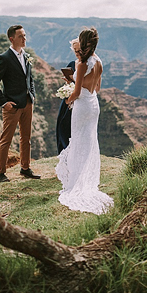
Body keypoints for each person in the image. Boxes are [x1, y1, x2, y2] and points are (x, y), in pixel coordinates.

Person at [55, 27, 114, 215]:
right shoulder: (98, 62)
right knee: (89, 142)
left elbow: (77, 92)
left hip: (81, 107)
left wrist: (67, 98)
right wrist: (75, 81)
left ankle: (77, 181)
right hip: (94, 105)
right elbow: (97, 88)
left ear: (83, 42)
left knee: (79, 141)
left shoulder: (81, 65)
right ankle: (87, 179)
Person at [0, 25, 38, 183]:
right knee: (6, 140)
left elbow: (30, 78)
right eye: (21, 36)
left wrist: (32, 95)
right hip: (12, 106)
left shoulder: (27, 56)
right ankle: (1, 172)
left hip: (27, 103)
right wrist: (4, 103)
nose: (25, 38)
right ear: (12, 39)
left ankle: (25, 168)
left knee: (26, 138)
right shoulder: (4, 58)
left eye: (25, 35)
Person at [56, 39, 79, 154]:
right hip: (68, 100)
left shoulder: (86, 66)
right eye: (75, 50)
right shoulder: (72, 64)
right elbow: (71, 83)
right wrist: (68, 83)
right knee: (62, 126)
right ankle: (64, 151)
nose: (77, 53)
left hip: (77, 101)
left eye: (79, 50)